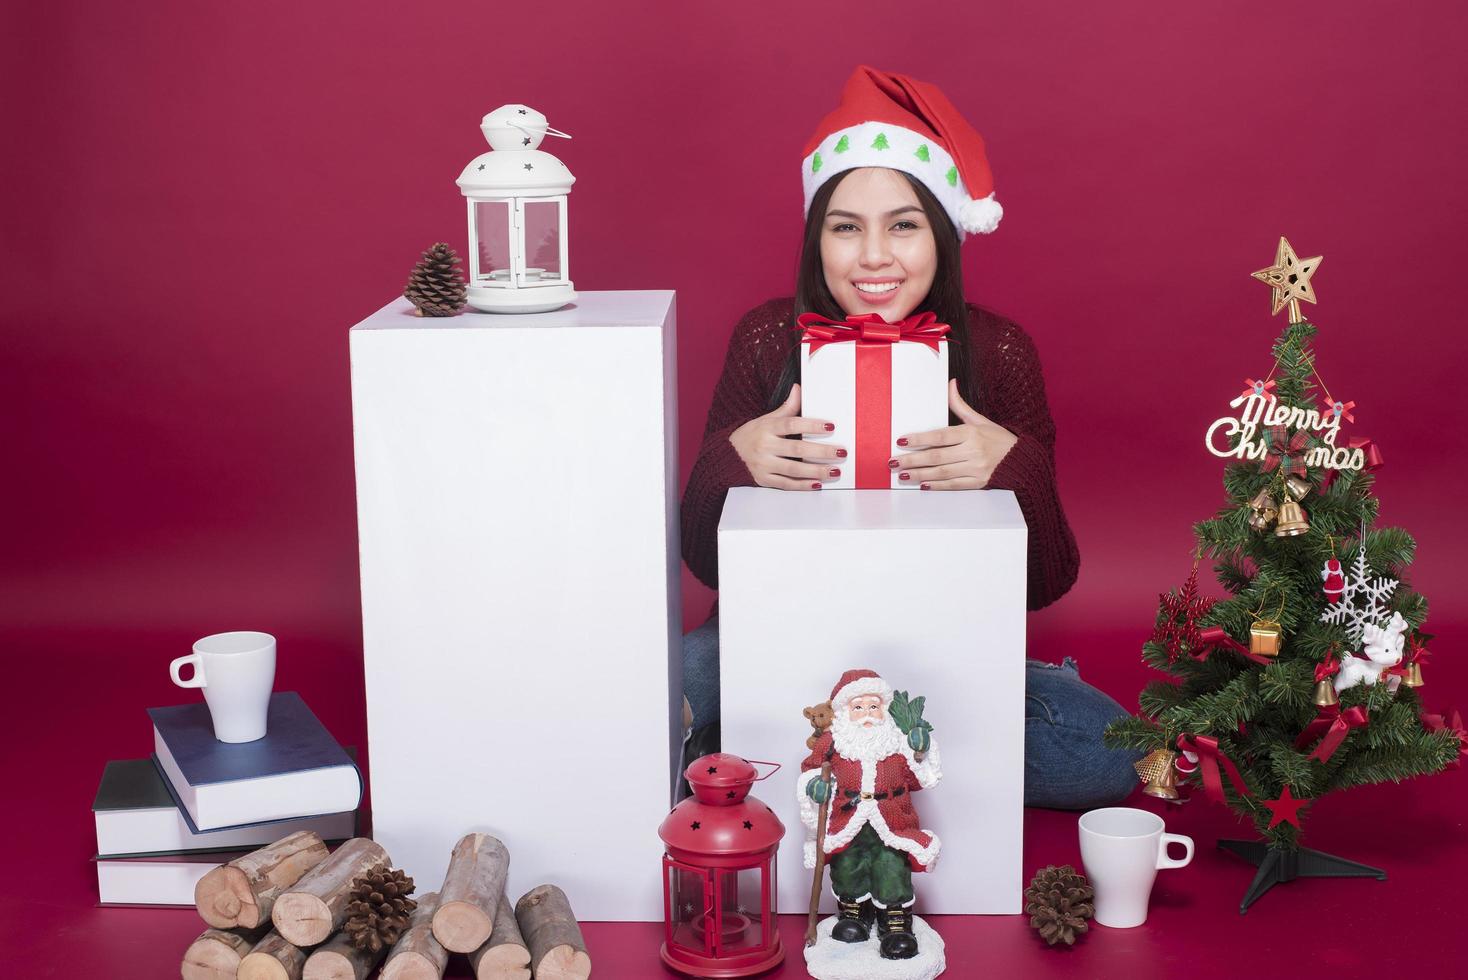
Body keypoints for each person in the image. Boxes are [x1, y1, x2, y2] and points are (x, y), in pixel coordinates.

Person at [680, 65, 1138, 810]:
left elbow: (1048, 582)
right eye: (845, 227)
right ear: (815, 239)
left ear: (945, 233)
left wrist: (1016, 470)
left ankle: (851, 753)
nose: (873, 257)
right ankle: (855, 749)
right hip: (773, 627)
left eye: (903, 224)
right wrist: (730, 462)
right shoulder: (767, 339)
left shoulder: (999, 352)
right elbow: (703, 562)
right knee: (661, 693)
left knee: (1107, 757)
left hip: (938, 636)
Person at [798, 669, 941, 960]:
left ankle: (895, 922)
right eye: (858, 707)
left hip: (892, 821)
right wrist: (815, 787)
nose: (866, 713)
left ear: (883, 709)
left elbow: (921, 779)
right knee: (848, 864)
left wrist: (920, 749)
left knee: (890, 865)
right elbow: (811, 769)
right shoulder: (833, 741)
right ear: (844, 710)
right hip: (847, 819)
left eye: (873, 706)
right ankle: (853, 913)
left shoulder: (897, 740)